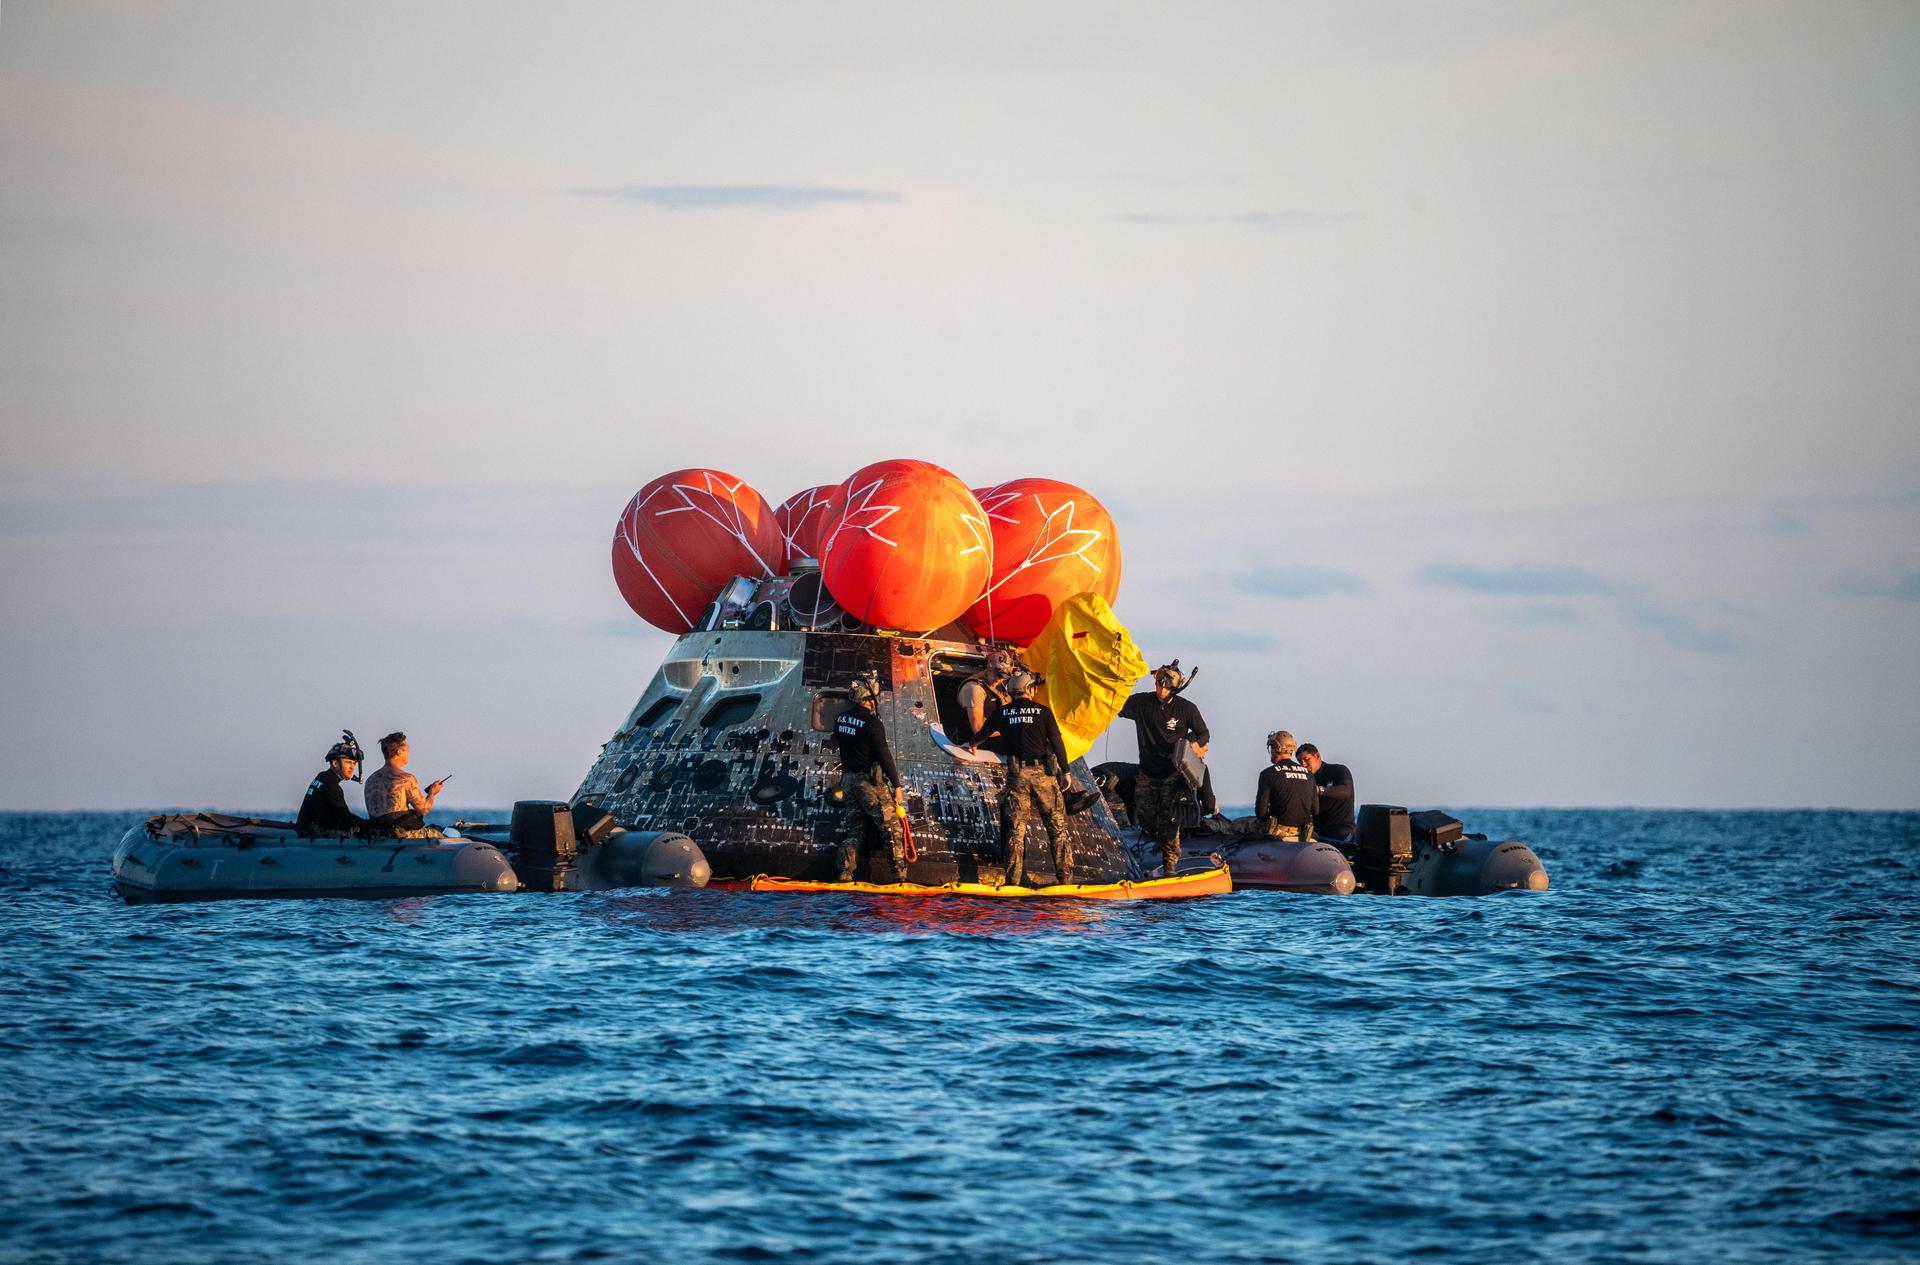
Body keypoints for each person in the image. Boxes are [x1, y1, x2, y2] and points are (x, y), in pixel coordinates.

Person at [970, 669, 1076, 887]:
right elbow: (1057, 742)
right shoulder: (1044, 712)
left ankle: (1013, 882)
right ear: (1030, 689)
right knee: (1056, 828)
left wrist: (970, 744)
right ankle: (1065, 880)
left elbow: (983, 733)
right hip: (1043, 775)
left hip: (1016, 775)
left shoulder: (1003, 713)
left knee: (1015, 831)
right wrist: (1065, 771)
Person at [1117, 661, 1209, 877]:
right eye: (1159, 684)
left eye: (1166, 686)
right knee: (1145, 816)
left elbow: (1203, 732)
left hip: (1173, 773)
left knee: (1169, 819)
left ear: (1175, 688)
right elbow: (1116, 706)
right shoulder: (1142, 703)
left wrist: (1196, 745)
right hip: (1148, 772)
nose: (1161, 689)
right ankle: (1159, 844)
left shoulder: (1186, 708)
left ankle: (1170, 865)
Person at [832, 672, 908, 881]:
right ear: (869, 698)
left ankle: (845, 873)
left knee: (854, 832)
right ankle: (900, 876)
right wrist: (897, 785)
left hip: (847, 780)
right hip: (868, 782)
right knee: (892, 828)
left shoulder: (840, 719)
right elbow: (884, 754)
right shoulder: (873, 723)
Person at [363, 731, 446, 832]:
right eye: (407, 748)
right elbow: (423, 809)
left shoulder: (370, 780)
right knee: (444, 833)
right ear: (399, 752)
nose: (409, 752)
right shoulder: (406, 779)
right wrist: (432, 793)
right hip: (401, 835)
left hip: (377, 835)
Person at [296, 730, 368, 835]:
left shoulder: (322, 777)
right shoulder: (331, 786)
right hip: (311, 835)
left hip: (304, 830)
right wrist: (368, 825)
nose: (352, 767)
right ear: (335, 763)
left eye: (354, 763)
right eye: (348, 762)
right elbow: (345, 816)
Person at [1253, 731, 1318, 840]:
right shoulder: (1309, 775)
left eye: (1271, 747)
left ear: (1276, 748)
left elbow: (1260, 813)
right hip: (1303, 832)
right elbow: (1315, 810)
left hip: (1279, 832)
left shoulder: (1268, 774)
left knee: (1237, 825)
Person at [955, 647, 1018, 745]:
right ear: (989, 666)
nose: (999, 679)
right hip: (974, 745)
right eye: (998, 674)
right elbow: (978, 729)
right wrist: (1010, 730)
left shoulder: (999, 684)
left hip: (995, 740)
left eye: (1003, 676)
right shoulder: (974, 688)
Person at [1297, 743, 1356, 842]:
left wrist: (1319, 790)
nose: (1303, 764)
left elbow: (1347, 790)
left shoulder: (1338, 770)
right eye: (1300, 762)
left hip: (1341, 831)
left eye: (1307, 760)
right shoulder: (1305, 779)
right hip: (1317, 834)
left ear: (1317, 756)